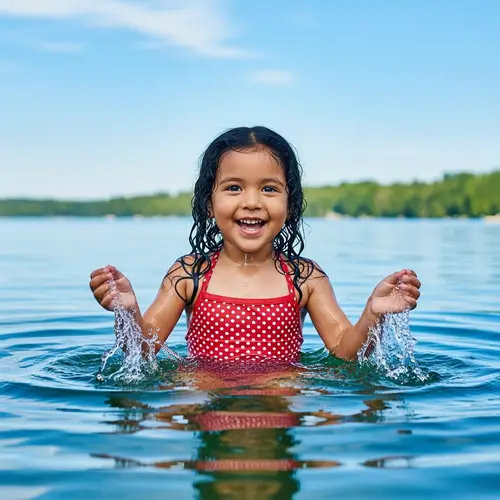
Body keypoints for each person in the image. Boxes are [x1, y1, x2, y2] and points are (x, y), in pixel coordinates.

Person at [89, 126, 421, 362]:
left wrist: (372, 314)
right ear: (209, 202)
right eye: (234, 188)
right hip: (208, 402)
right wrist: (128, 311)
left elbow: (347, 351)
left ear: (290, 204)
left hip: (281, 402)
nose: (252, 202)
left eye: (269, 189)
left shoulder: (305, 278)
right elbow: (143, 350)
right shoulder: (189, 274)